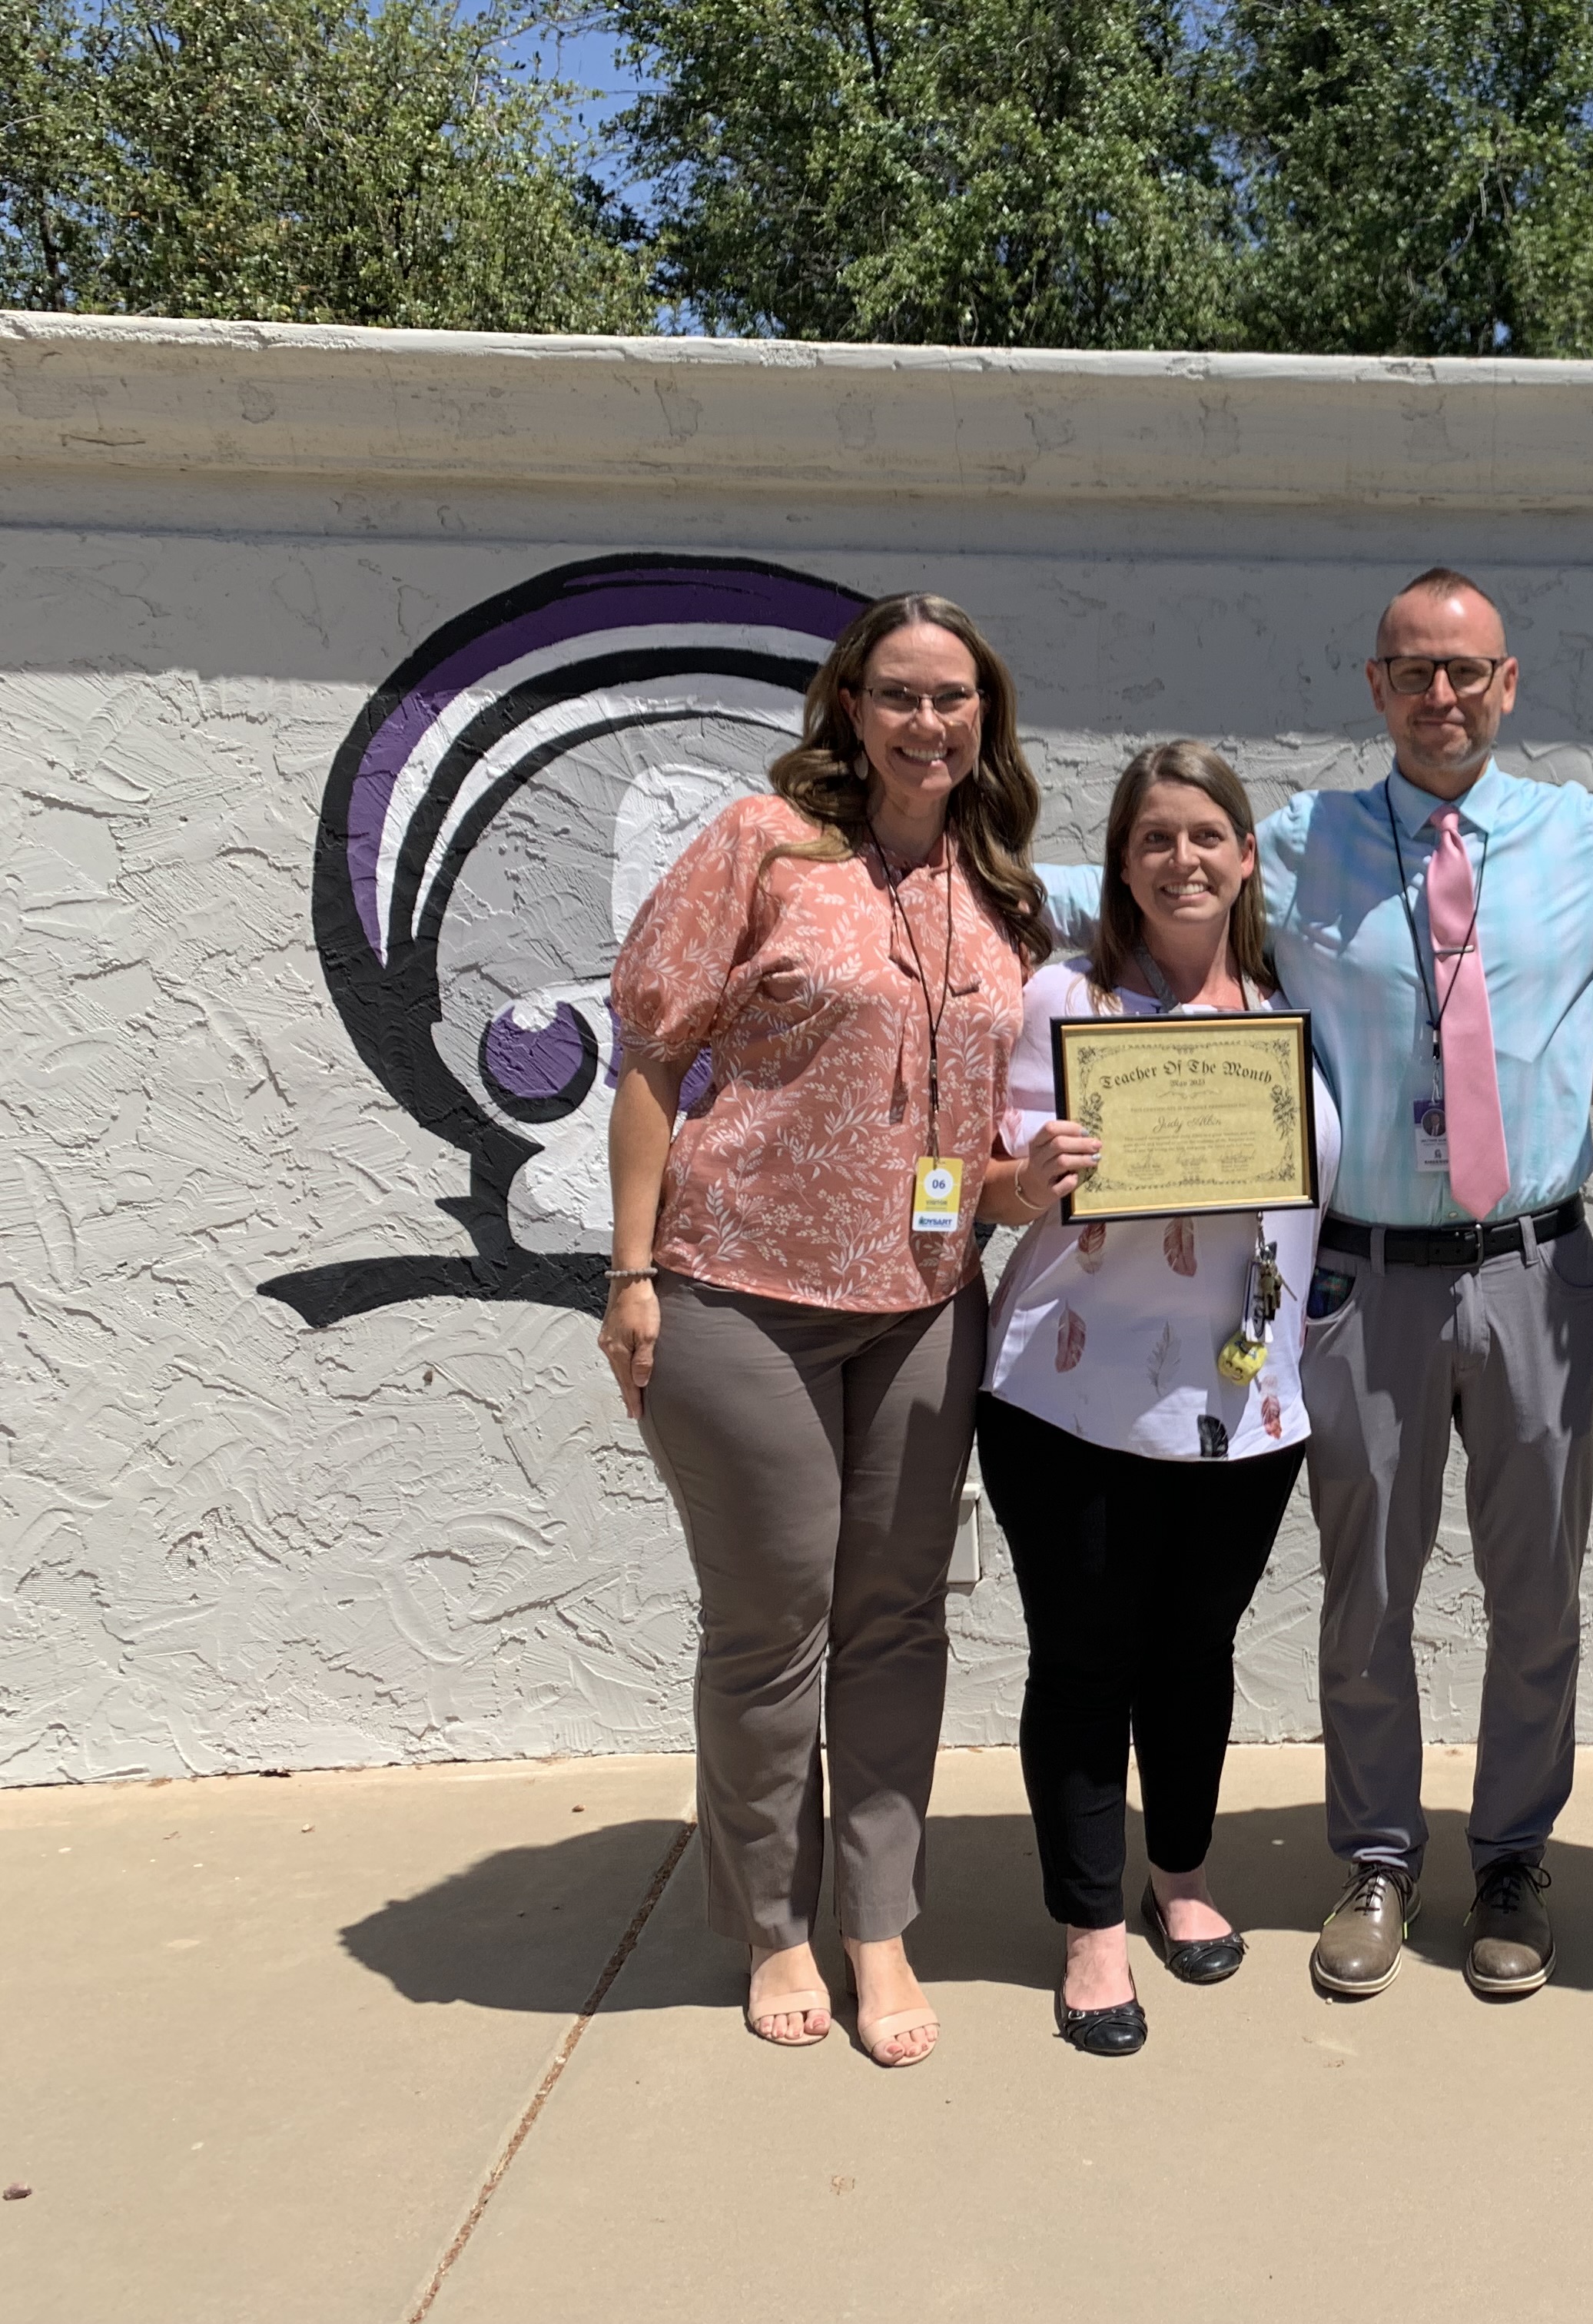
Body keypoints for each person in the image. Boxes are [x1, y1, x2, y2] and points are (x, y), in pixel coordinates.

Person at [600, 593, 1050, 2067]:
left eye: (957, 699)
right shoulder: (763, 846)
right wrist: (628, 1273)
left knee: (898, 1620)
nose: (932, 723)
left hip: (923, 1304)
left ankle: (878, 1919)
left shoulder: (1001, 893)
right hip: (742, 1291)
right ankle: (774, 1922)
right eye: (902, 695)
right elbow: (656, 1054)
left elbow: (969, 1149)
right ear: (849, 706)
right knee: (774, 1622)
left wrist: (1021, 1187)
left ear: (987, 719)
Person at [1259, 567, 1593, 2000]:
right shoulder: (1299, 842)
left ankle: (1512, 1856)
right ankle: (1379, 1857)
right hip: (1363, 1282)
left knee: (1538, 1590)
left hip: (1533, 1274)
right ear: (1374, 686)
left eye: (1467, 672)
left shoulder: (1578, 838)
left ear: (1509, 686)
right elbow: (1127, 885)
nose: (1440, 696)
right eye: (1412, 670)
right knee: (1367, 1592)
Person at [971, 742, 1339, 2057]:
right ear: (1120, 865)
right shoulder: (1064, 997)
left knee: (1196, 1654)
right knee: (1085, 1660)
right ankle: (1088, 1928)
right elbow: (994, 1183)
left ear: (1246, 856)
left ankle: (1179, 1876)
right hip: (1068, 1401)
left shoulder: (1297, 1000)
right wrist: (1034, 1178)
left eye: (1208, 836)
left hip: (1245, 1405)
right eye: (1154, 840)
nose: (1184, 860)